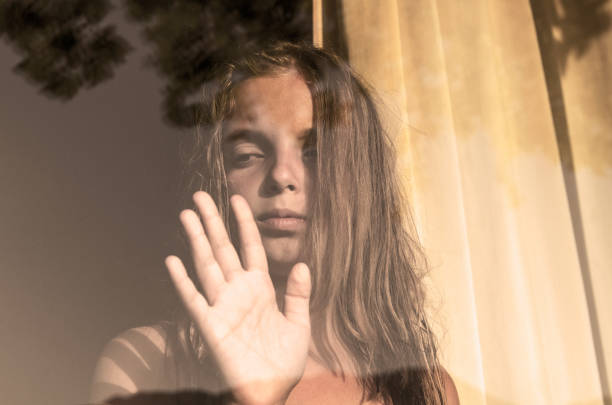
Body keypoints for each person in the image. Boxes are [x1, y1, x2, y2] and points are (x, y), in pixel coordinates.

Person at [89, 42, 460, 405]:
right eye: (248, 154)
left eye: (315, 152)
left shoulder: (426, 390)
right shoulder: (143, 367)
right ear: (219, 178)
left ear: (362, 179)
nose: (282, 174)